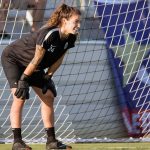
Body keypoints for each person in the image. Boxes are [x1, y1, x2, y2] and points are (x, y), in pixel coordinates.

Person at [1, 3, 81, 150]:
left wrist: (48, 76)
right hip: (14, 59)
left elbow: (59, 59)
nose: (79, 25)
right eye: (76, 21)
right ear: (64, 21)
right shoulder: (50, 34)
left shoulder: (71, 38)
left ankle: (51, 142)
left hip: (32, 65)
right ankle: (17, 142)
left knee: (48, 95)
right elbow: (36, 59)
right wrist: (23, 80)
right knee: (20, 96)